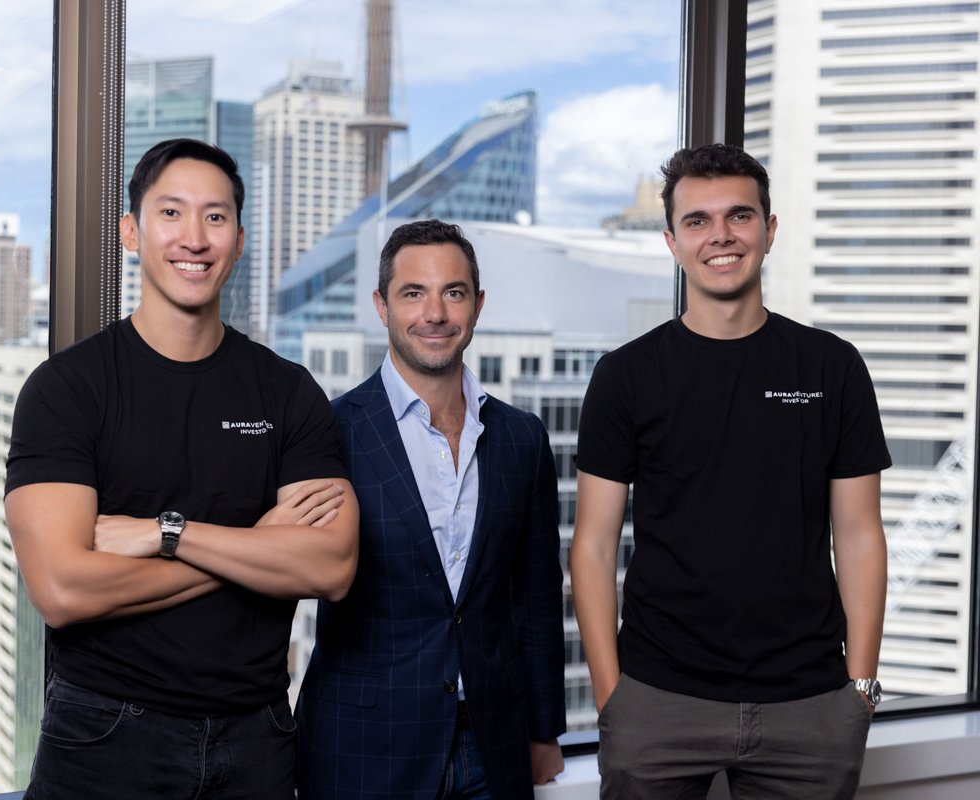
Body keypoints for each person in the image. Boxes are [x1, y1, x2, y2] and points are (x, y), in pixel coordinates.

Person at [5, 138, 360, 799]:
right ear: (131, 232)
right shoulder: (67, 389)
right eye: (171, 213)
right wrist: (257, 541)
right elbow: (62, 590)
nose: (193, 238)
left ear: (241, 239)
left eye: (215, 217)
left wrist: (165, 532)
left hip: (258, 740)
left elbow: (331, 569)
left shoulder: (287, 393)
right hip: (105, 735)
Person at [570, 143, 889, 799]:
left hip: (810, 704)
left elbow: (859, 535)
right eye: (698, 221)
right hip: (658, 700)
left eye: (739, 217)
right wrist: (613, 697)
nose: (720, 236)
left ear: (768, 232)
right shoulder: (626, 376)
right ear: (672, 240)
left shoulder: (832, 367)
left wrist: (858, 689)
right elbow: (594, 546)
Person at [298, 219, 566, 800]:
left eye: (454, 292)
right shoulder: (330, 431)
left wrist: (545, 728)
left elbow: (538, 595)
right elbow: (282, 573)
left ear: (477, 304)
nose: (435, 313)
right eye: (413, 293)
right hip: (363, 743)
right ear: (381, 305)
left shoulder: (522, 437)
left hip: (492, 745)